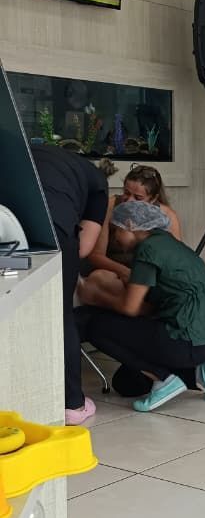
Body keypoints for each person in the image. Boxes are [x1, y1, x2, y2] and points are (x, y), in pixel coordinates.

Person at [77, 200, 205, 412]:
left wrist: (95, 295)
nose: (116, 239)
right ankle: (199, 373)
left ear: (129, 225)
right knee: (127, 383)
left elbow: (131, 308)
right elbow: (151, 306)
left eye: (116, 230)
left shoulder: (147, 250)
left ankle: (165, 379)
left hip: (184, 342)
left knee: (95, 326)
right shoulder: (171, 244)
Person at [30, 145, 109, 425]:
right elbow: (85, 247)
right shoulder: (97, 184)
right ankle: (72, 404)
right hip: (55, 231)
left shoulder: (30, 153)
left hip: (10, 228)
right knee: (60, 315)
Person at [82, 164, 181, 302]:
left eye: (138, 198)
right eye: (126, 193)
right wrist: (124, 271)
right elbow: (96, 255)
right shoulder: (111, 205)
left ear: (153, 199)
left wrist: (141, 278)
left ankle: (134, 307)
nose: (129, 200)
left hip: (147, 277)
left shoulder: (167, 216)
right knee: (98, 278)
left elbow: (174, 262)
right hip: (115, 272)